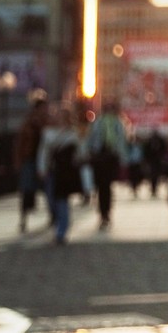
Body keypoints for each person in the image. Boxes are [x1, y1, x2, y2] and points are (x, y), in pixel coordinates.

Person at [37, 104, 82, 245]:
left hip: (65, 172)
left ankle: (62, 230)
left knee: (62, 200)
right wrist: (42, 168)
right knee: (51, 199)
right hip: (52, 170)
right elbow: (43, 152)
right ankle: (60, 221)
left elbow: (79, 153)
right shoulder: (48, 133)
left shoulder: (72, 134)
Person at [84, 100, 128, 230]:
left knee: (105, 187)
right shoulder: (99, 123)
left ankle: (105, 213)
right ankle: (104, 213)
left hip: (109, 158)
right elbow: (91, 139)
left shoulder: (116, 123)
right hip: (100, 158)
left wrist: (122, 159)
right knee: (102, 187)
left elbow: (121, 142)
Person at [13, 91, 48, 233]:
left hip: (43, 161)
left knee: (48, 190)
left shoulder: (47, 122)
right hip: (30, 160)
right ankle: (23, 219)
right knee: (27, 190)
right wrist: (18, 160)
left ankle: (53, 215)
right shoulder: (28, 123)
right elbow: (20, 144)